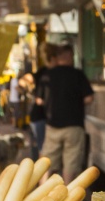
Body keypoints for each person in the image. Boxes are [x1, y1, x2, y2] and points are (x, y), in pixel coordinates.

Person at [38, 43, 93, 183]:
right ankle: (68, 197)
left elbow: (39, 100)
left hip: (52, 126)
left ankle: (41, 196)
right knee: (71, 164)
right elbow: (89, 98)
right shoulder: (78, 75)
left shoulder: (47, 75)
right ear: (69, 56)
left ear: (57, 57)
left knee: (46, 163)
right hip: (74, 125)